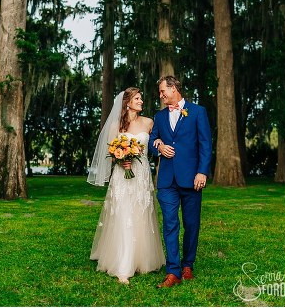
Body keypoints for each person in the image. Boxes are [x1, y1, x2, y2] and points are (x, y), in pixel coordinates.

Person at [88, 88, 165, 284]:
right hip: (123, 176)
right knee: (123, 214)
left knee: (141, 212)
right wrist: (121, 160)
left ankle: (142, 260)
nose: (141, 101)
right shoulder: (116, 125)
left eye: (141, 98)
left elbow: (156, 143)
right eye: (137, 98)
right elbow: (111, 152)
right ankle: (123, 265)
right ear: (127, 103)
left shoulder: (149, 122)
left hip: (142, 175)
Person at [149, 75, 212, 289]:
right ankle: (173, 271)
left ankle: (188, 265)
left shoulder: (197, 112)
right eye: (159, 92)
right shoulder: (159, 116)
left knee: (191, 224)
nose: (160, 95)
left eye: (162, 91)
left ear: (174, 88)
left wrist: (202, 172)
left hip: (192, 179)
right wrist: (158, 146)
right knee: (170, 223)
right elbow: (151, 141)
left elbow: (205, 144)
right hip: (166, 181)